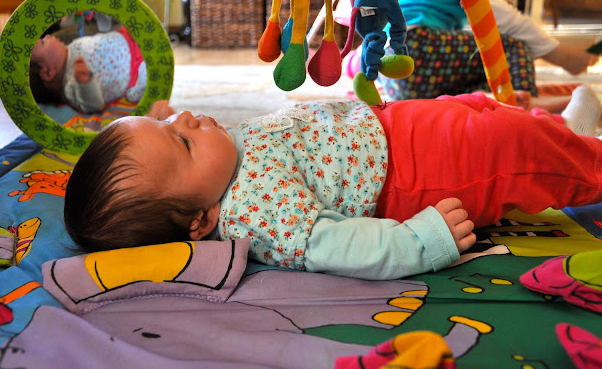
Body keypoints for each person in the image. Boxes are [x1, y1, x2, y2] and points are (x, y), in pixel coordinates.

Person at [64, 87, 602, 281]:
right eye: (181, 142)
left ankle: (568, 134)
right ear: (201, 220)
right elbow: (333, 245)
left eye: (166, 122)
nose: (184, 118)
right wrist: (420, 242)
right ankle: (587, 160)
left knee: (484, 113)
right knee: (512, 149)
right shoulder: (253, 211)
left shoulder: (216, 163)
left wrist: (164, 129)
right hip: (416, 175)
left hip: (390, 127)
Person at [377, 0, 598, 110]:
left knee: (487, 71)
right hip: (417, 47)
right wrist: (562, 56)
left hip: (395, 76)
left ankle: (496, 101)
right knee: (512, 47)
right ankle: (529, 105)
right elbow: (509, 24)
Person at [29, 27, 146, 114]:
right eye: (43, 42)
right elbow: (92, 105)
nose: (47, 36)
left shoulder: (68, 49)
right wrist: (85, 83)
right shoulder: (72, 84)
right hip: (135, 72)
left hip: (126, 38)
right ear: (48, 73)